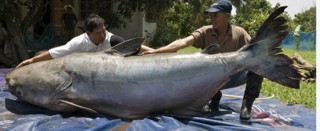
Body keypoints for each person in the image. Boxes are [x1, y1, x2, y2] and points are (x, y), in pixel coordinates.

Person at [143, 0, 263, 120]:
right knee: (190, 68)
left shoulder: (239, 33)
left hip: (233, 76)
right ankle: (212, 96)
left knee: (258, 65)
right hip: (209, 79)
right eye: (211, 15)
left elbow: (255, 48)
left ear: (227, 16)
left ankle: (246, 105)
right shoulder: (205, 32)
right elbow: (183, 42)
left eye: (216, 15)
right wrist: (156, 51)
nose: (212, 18)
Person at [17, 14, 154, 68]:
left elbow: (136, 47)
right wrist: (31, 61)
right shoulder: (77, 43)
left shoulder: (112, 39)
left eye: (104, 31)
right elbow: (54, 53)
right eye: (98, 33)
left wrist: (158, 52)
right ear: (88, 33)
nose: (102, 35)